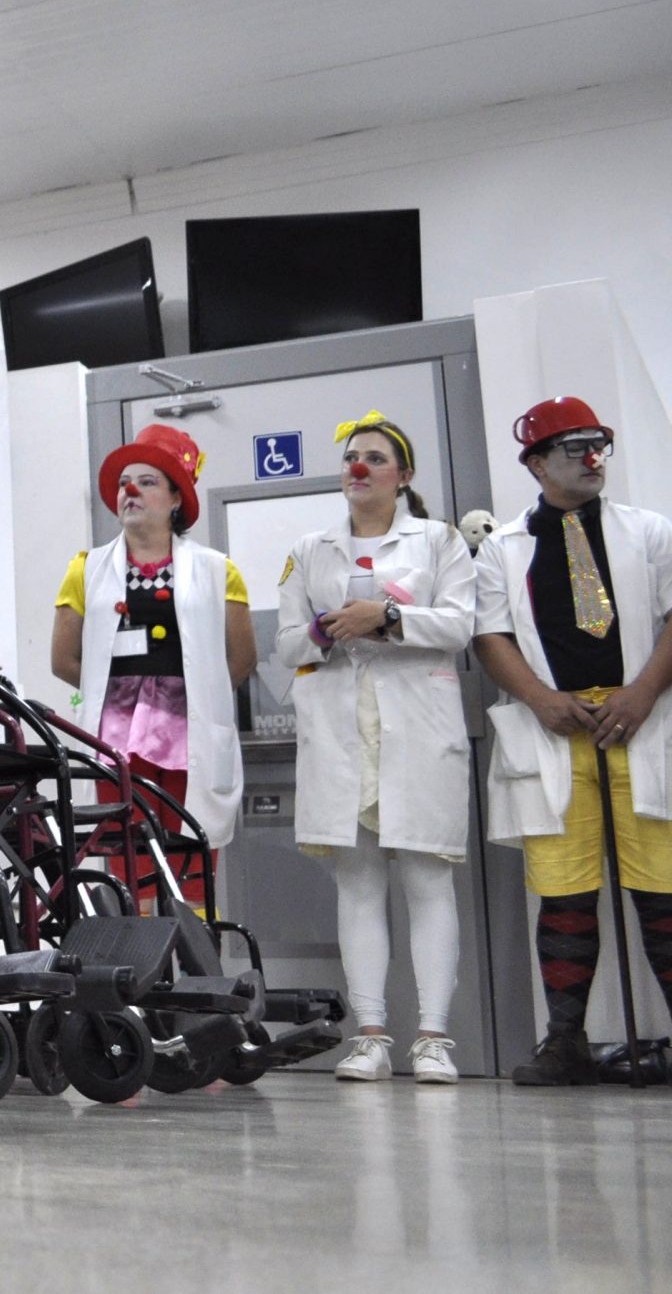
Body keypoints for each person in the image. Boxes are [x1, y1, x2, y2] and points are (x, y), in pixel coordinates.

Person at [472, 396, 672, 1086]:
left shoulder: (651, 531)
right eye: (572, 449)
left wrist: (642, 692)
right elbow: (490, 635)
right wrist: (538, 699)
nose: (591, 460)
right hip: (553, 730)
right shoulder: (502, 548)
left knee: (663, 886)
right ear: (535, 463)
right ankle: (566, 1042)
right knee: (564, 890)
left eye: (598, 447)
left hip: (641, 721)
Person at [274, 412, 476, 1083]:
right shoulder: (310, 550)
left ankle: (433, 1040)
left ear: (404, 475)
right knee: (358, 885)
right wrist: (330, 631)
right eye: (352, 457)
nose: (358, 467)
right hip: (341, 729)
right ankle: (371, 1036)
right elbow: (286, 646)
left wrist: (389, 617)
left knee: (426, 880)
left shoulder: (439, 541)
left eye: (375, 458)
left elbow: (460, 624)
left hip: (417, 727)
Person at [50, 425, 254, 904]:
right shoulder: (86, 568)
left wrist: (196, 693)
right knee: (130, 863)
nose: (129, 491)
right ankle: (149, 971)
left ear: (176, 499)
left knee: (193, 859)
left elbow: (241, 658)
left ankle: (199, 970)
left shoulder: (217, 568)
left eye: (146, 481)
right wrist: (114, 692)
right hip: (119, 741)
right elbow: (63, 658)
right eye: (124, 482)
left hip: (194, 735)